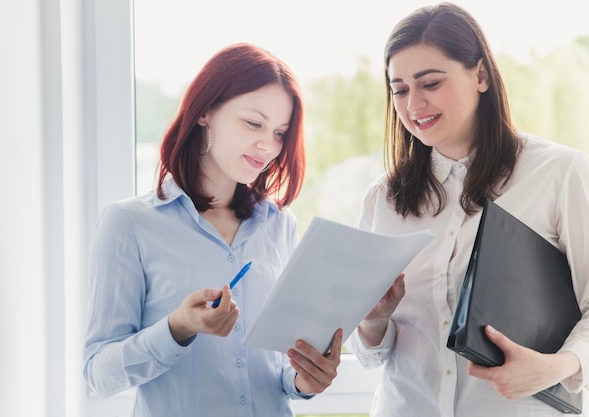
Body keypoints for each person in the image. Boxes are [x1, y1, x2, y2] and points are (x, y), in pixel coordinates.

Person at [351, 3, 589, 416]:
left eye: (430, 83)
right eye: (400, 90)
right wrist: (371, 321)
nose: (413, 105)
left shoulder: (558, 173)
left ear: (480, 75)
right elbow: (373, 354)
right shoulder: (383, 199)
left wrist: (557, 366)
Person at [83, 42, 342, 417]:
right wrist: (177, 327)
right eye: (254, 123)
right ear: (205, 111)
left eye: (280, 133)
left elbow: (276, 369)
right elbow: (99, 374)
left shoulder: (280, 226)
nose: (267, 146)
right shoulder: (128, 224)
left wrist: (305, 380)